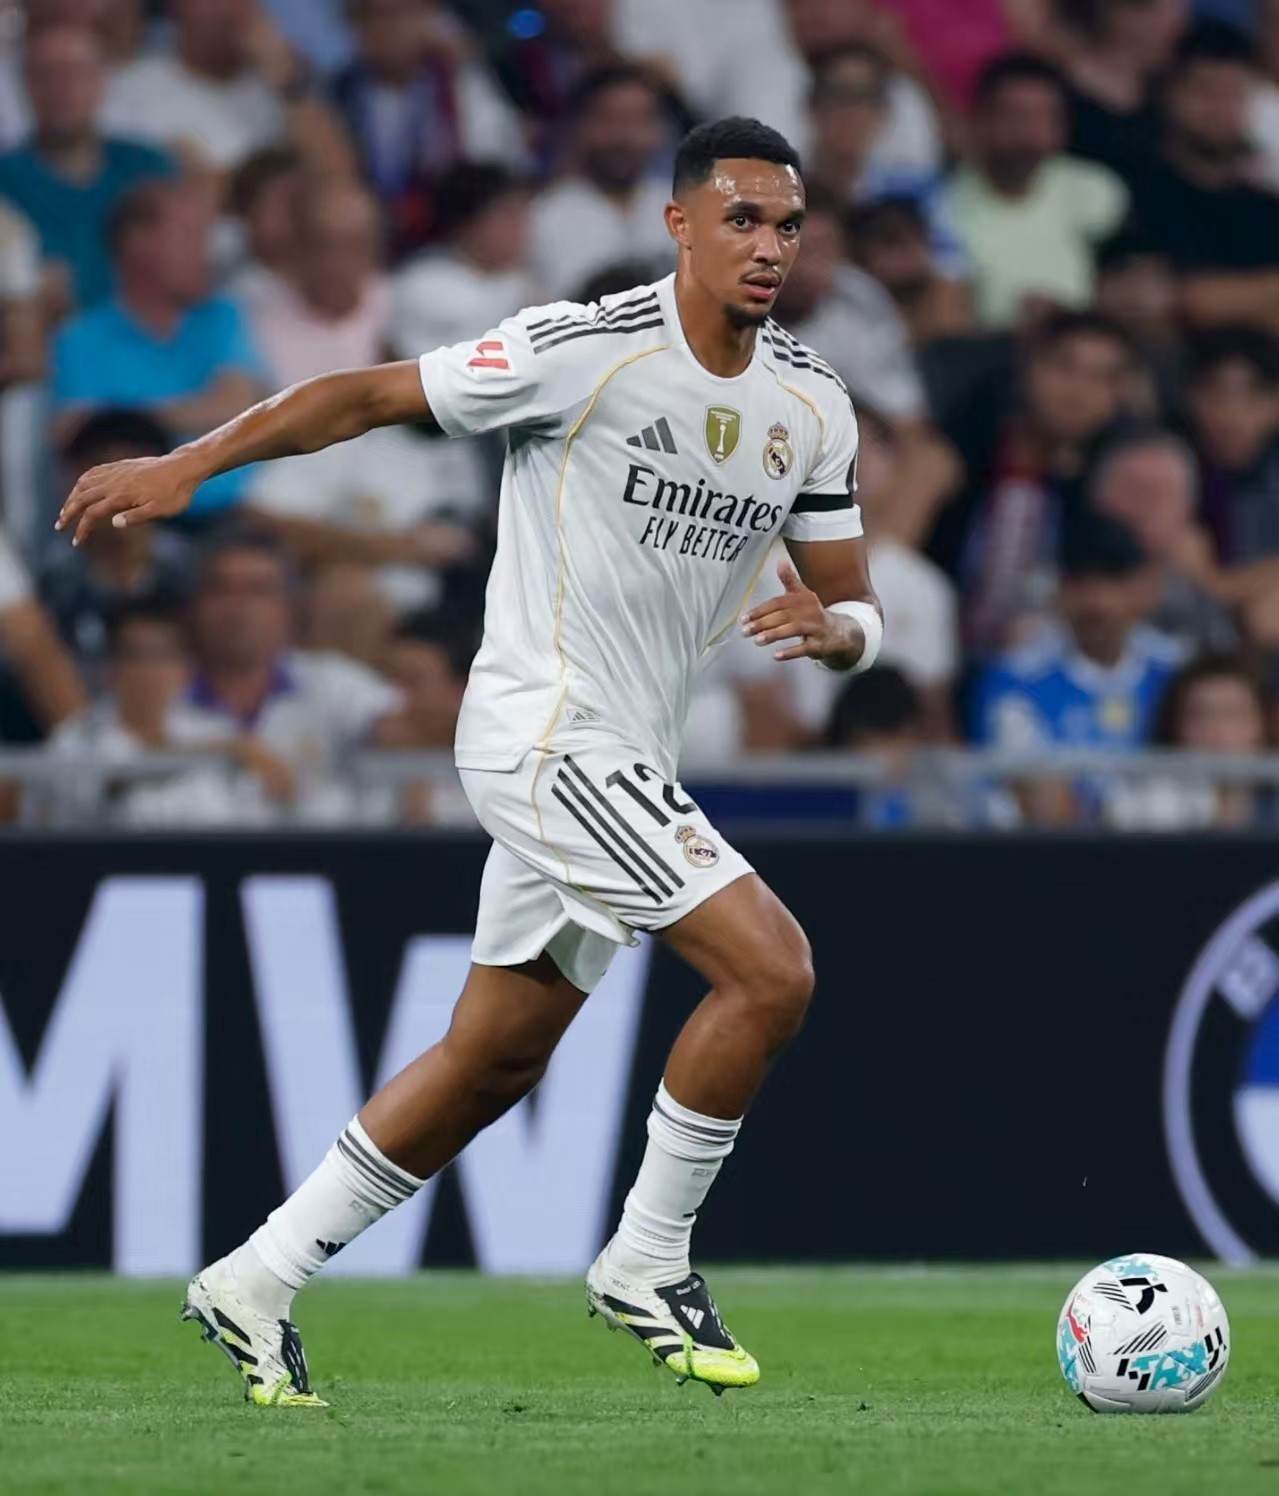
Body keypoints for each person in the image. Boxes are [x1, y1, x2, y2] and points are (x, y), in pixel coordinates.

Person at [58, 116, 880, 1407]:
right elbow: (365, 396)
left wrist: (840, 635)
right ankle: (646, 1256)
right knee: (772, 970)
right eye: (740, 219)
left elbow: (849, 596)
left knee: (495, 1055)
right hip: (546, 730)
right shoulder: (584, 349)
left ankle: (256, 1276)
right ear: (678, 225)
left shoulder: (812, 401)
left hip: (631, 753)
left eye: (785, 224)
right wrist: (192, 464)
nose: (767, 245)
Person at [50, 179, 269, 520]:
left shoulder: (223, 315)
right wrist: (192, 412)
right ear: (139, 247)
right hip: (138, 521)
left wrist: (128, 421)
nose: (207, 254)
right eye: (190, 237)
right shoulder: (81, 339)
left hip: (239, 515)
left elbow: (237, 407)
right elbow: (77, 438)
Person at [930, 310, 1141, 652]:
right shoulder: (954, 452)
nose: (1079, 390)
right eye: (1064, 367)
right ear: (1028, 370)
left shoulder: (1105, 483)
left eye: (1101, 378)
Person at [970, 510, 1184, 823]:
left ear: (1142, 589)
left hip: (1172, 844)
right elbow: (1037, 799)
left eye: (1113, 582)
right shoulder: (1016, 680)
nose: (1097, 602)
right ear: (1058, 591)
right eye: (1080, 584)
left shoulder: (1177, 672)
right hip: (1055, 847)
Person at [330, 0, 526, 258]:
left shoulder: (461, 86)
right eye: (373, 16)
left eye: (402, 14)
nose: (389, 28)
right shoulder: (337, 94)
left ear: (430, 18)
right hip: (365, 244)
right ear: (353, 24)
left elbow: (498, 168)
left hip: (451, 246)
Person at [946, 53, 1129, 327]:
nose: (1030, 134)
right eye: (1015, 116)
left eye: (1043, 118)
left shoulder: (1096, 192)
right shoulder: (946, 205)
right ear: (979, 120)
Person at [0, 25, 173, 314]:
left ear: (102, 81)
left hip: (149, 331)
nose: (61, 88)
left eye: (74, 73)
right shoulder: (5, 179)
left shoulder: (148, 167)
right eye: (46, 75)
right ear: (25, 86)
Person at [1129, 22, 1279, 331]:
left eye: (1234, 93)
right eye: (1205, 90)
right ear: (1167, 93)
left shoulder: (1265, 205)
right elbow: (1187, 301)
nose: (1220, 107)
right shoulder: (1141, 193)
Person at [103, 0, 351, 178]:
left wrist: (287, 81)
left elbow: (338, 181)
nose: (227, 10)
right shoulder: (129, 88)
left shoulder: (284, 90)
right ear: (175, 7)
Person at [40, 409, 193, 674]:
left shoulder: (195, 575)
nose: (121, 496)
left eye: (137, 478)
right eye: (106, 480)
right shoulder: (48, 585)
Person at [804, 46, 966, 277]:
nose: (851, 112)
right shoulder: (784, 190)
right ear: (811, 108)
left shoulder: (916, 189)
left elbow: (953, 271)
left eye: (865, 98)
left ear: (883, 115)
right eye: (837, 97)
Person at [528, 66, 674, 300]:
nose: (625, 137)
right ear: (579, 126)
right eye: (609, 119)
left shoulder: (686, 206)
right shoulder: (544, 217)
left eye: (638, 121)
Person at [241, 177, 390, 389]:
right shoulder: (253, 313)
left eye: (354, 246)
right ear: (297, 247)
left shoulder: (398, 313)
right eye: (323, 245)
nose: (338, 263)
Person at [1107, 650, 1274, 827]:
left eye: (1232, 714)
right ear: (1175, 726)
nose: (1216, 730)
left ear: (1263, 725)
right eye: (1200, 715)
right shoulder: (1139, 807)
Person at [848, 197, 976, 347]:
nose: (908, 250)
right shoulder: (853, 299)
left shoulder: (948, 290)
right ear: (863, 255)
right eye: (891, 242)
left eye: (916, 236)